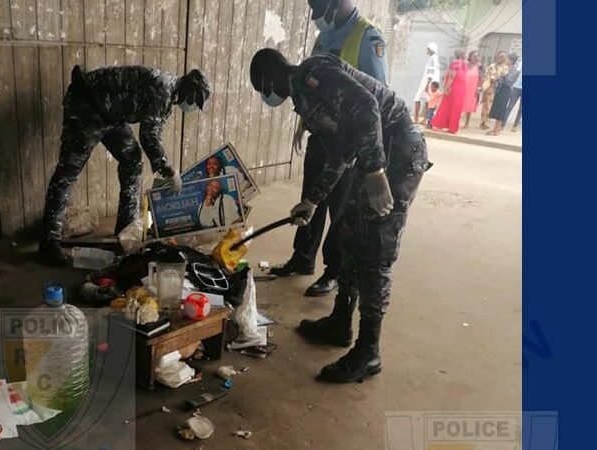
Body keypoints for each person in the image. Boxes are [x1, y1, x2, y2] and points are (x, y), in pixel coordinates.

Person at [250, 49, 430, 383]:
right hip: (373, 154)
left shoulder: (313, 74)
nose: (266, 96)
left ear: (268, 76)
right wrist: (314, 200)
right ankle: (340, 322)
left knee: (375, 249)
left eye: (262, 89)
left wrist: (376, 170)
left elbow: (368, 109)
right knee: (347, 233)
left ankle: (368, 352)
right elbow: (343, 147)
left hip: (398, 152)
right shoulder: (305, 93)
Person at [272, 0, 389, 300]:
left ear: (336, 5)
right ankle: (303, 257)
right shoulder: (324, 37)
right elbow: (310, 90)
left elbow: (376, 96)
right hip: (322, 133)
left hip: (348, 141)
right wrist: (304, 125)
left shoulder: (367, 37)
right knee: (311, 196)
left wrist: (373, 164)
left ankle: (333, 272)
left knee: (339, 207)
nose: (314, 17)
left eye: (317, 9)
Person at [38, 65, 211, 265]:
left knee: (132, 158)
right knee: (68, 171)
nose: (191, 106)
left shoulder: (169, 94)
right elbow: (149, 137)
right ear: (189, 88)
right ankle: (49, 243)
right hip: (88, 106)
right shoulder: (162, 90)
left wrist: (164, 165)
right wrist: (169, 170)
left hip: (111, 114)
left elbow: (153, 131)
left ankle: (125, 229)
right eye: (194, 100)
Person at [430, 48, 467, 134]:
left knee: (446, 105)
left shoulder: (454, 63)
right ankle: (453, 128)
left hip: (454, 87)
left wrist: (447, 87)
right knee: (456, 107)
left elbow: (451, 76)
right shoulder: (465, 64)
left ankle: (439, 124)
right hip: (462, 87)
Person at [487, 53, 519, 136]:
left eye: (507, 59)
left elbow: (509, 82)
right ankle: (495, 129)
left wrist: (502, 76)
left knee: (501, 110)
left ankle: (497, 130)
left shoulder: (514, 70)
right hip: (500, 90)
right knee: (497, 109)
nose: (506, 60)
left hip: (506, 91)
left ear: (511, 61)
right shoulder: (506, 68)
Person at [480, 51, 510, 130]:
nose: (499, 58)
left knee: (491, 106)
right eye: (499, 57)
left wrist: (496, 78)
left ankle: (488, 122)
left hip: (498, 90)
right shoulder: (492, 66)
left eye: (502, 57)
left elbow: (503, 77)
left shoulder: (505, 68)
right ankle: (483, 122)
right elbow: (486, 74)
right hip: (489, 87)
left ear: (504, 59)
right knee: (486, 105)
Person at [413, 42, 440, 124]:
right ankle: (425, 119)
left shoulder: (432, 58)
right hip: (432, 82)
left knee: (417, 98)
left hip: (428, 82)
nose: (427, 51)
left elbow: (430, 72)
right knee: (428, 101)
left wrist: (427, 84)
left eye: (428, 49)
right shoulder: (435, 58)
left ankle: (416, 118)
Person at [462, 50, 482, 129]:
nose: (476, 58)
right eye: (474, 56)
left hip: (473, 88)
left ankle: (467, 123)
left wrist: (479, 88)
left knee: (470, 105)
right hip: (464, 87)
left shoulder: (479, 66)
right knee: (461, 103)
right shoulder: (465, 65)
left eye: (477, 56)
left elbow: (482, 78)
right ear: (470, 57)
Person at [504, 58, 522, 132]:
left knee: (521, 109)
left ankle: (515, 126)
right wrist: (512, 83)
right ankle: (502, 124)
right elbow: (517, 72)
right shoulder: (522, 61)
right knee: (509, 106)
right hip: (516, 87)